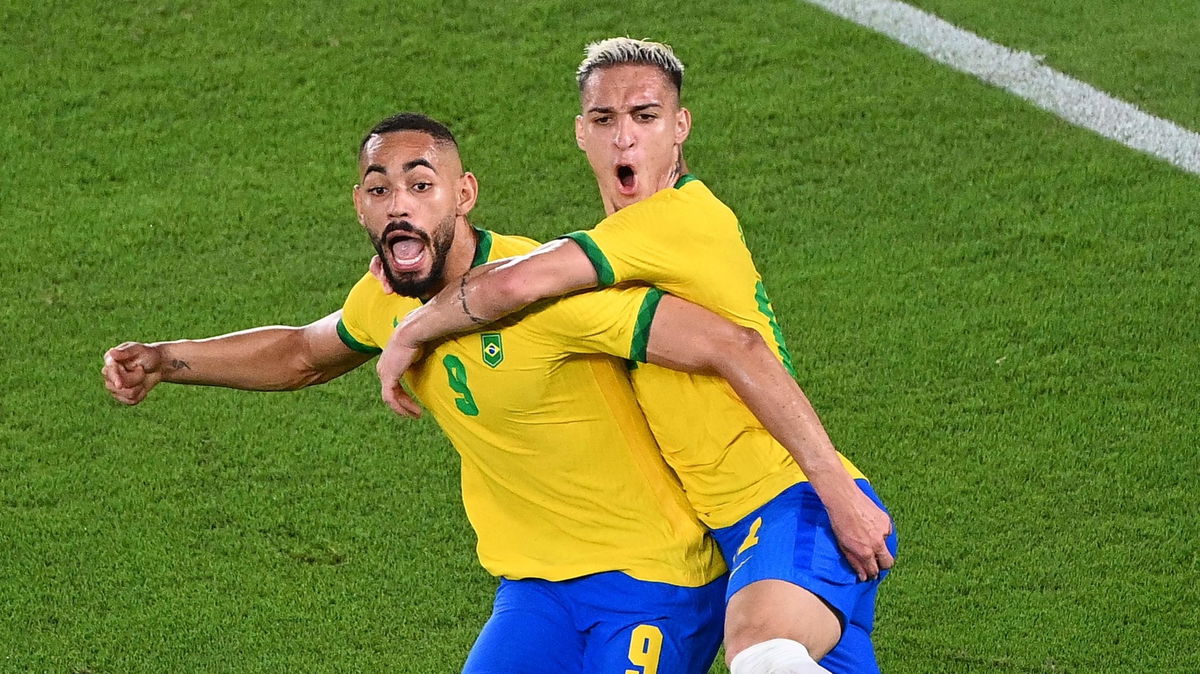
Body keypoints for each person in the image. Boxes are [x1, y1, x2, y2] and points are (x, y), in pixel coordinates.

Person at [101, 112, 855, 673]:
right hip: (535, 591)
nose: (400, 204)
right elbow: (303, 352)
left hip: (652, 581)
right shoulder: (387, 300)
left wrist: (829, 485)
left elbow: (727, 343)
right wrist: (169, 359)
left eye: (421, 185)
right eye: (380, 188)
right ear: (360, 207)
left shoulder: (550, 291)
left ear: (462, 196)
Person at [375, 40, 897, 673]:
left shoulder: (676, 221)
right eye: (605, 120)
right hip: (734, 532)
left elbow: (510, 283)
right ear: (580, 134)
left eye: (645, 117)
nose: (624, 139)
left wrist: (412, 328)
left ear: (680, 128)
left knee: (762, 655)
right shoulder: (629, 245)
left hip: (792, 501)